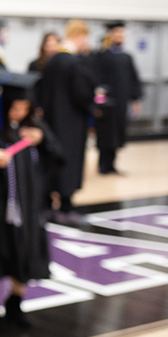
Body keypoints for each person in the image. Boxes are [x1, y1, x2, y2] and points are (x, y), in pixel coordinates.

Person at [0, 71, 64, 334]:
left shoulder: (33, 129)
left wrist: (42, 141)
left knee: (26, 252)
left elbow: (57, 156)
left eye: (24, 108)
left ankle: (15, 303)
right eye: (15, 107)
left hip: (29, 208)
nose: (19, 113)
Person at [40, 20, 97, 220]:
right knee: (69, 161)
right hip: (71, 122)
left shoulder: (52, 61)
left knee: (51, 159)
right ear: (79, 36)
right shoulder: (73, 62)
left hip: (51, 121)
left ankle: (47, 203)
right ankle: (66, 205)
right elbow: (82, 94)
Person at [93, 21, 142, 174]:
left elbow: (134, 79)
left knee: (118, 133)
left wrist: (135, 99)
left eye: (122, 33)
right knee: (106, 133)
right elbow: (96, 80)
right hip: (107, 104)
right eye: (116, 33)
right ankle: (103, 165)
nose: (119, 36)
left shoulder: (126, 56)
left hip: (121, 103)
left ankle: (112, 164)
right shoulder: (101, 55)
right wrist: (98, 103)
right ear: (110, 35)